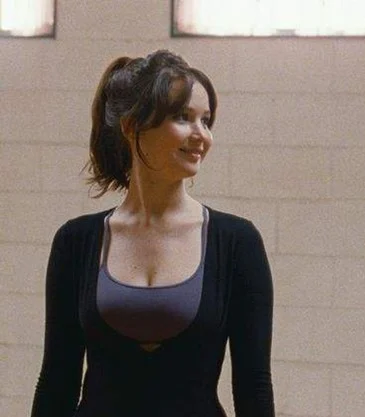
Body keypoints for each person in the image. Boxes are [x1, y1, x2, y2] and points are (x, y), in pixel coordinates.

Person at [31, 50, 275, 417]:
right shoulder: (76, 241)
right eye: (183, 117)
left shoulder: (237, 242)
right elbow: (56, 382)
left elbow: (254, 386)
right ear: (132, 126)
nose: (201, 135)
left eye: (206, 120)